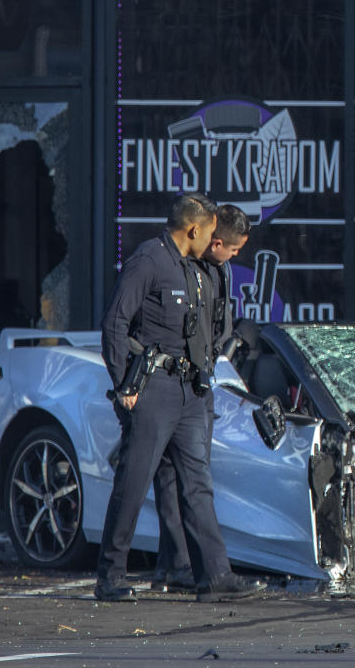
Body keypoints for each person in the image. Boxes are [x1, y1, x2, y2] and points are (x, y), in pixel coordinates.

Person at [94, 193, 262, 602]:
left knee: (196, 485)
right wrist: (123, 386)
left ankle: (213, 574)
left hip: (191, 390)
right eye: (209, 233)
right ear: (194, 229)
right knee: (133, 483)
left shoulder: (196, 266)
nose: (213, 242)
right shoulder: (150, 260)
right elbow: (115, 322)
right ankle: (110, 576)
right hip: (155, 388)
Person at [152, 204, 252, 593]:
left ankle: (174, 566)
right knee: (177, 478)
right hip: (174, 383)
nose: (235, 257)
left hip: (200, 381)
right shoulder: (179, 265)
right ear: (215, 239)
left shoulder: (218, 269)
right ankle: (189, 568)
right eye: (233, 249)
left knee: (186, 478)